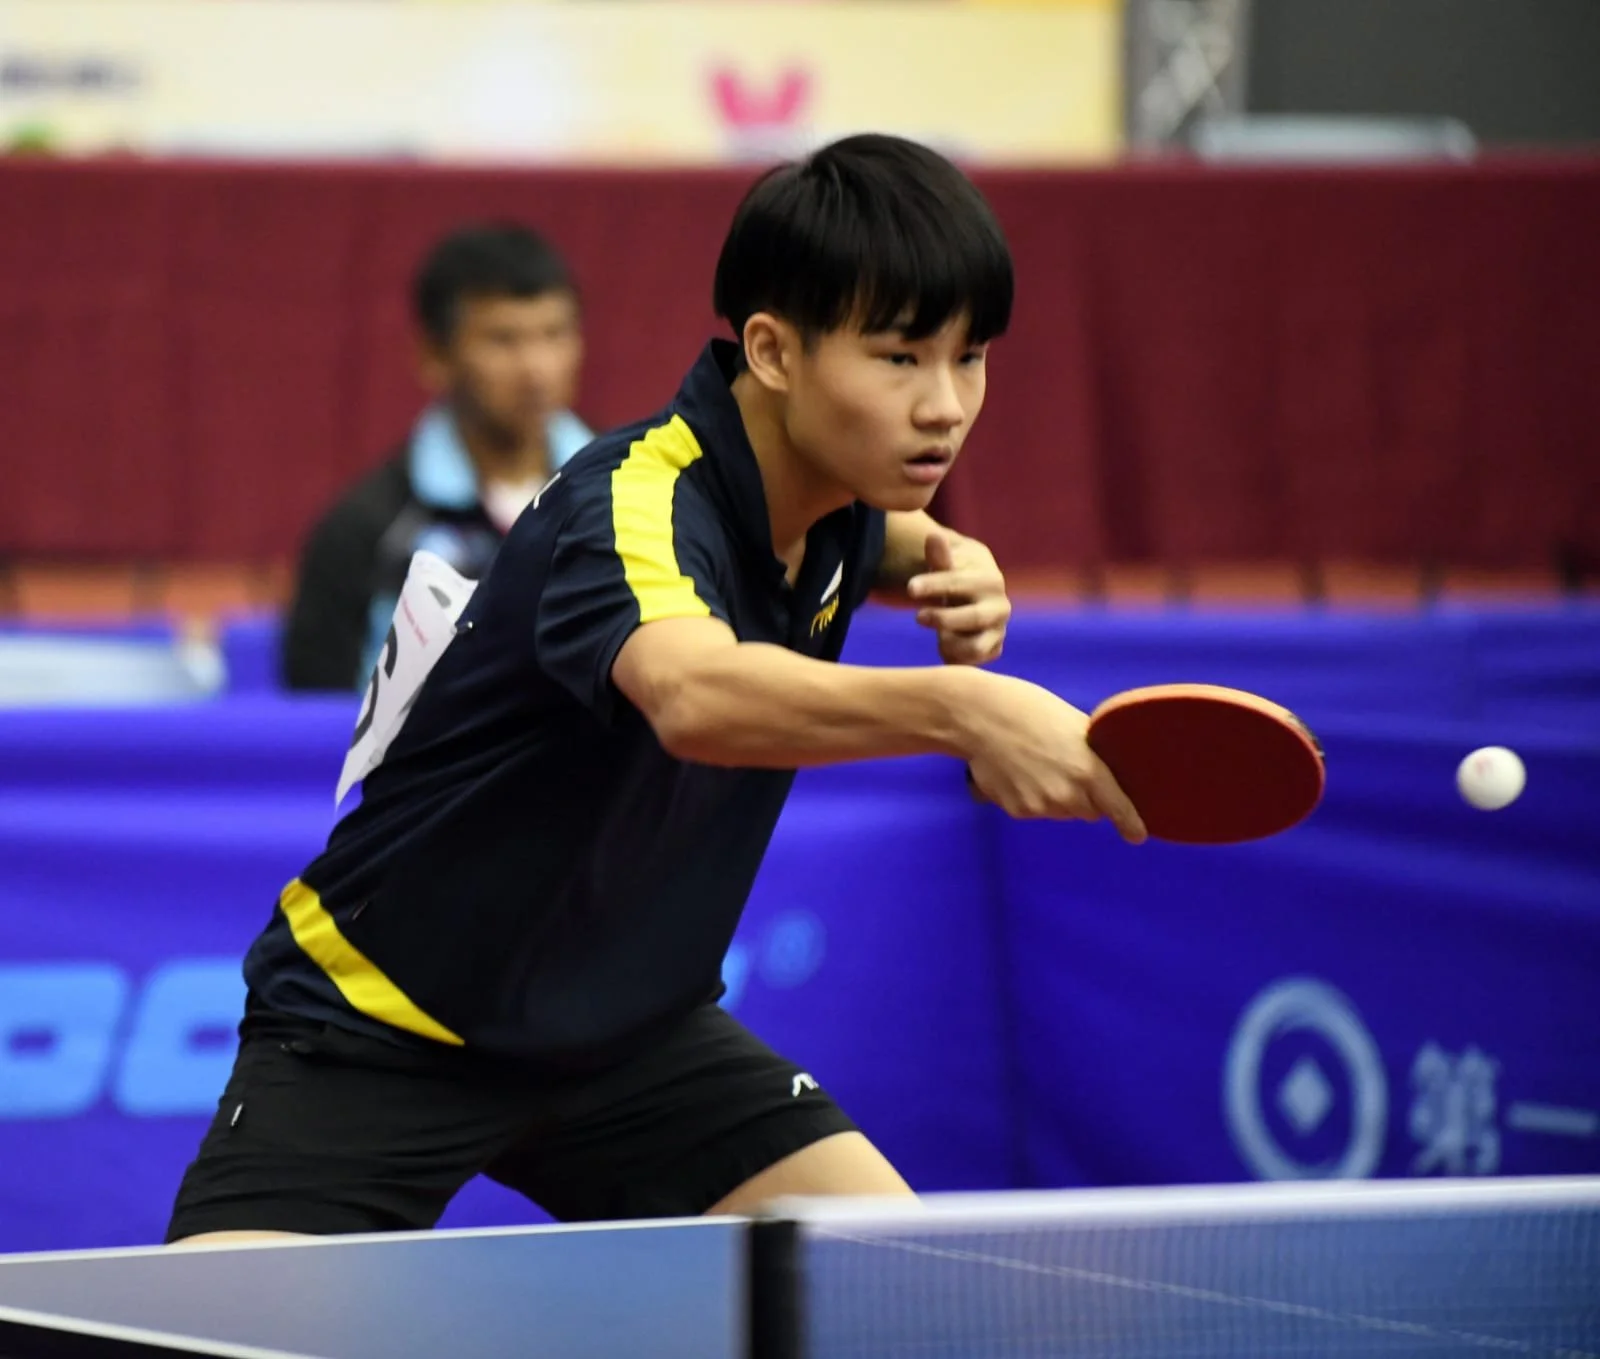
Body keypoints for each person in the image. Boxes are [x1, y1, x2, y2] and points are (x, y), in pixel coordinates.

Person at [167, 134, 1146, 1246]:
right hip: (386, 1025)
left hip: (632, 1043)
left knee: (904, 1294)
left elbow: (858, 539)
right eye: (899, 358)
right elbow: (695, 696)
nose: (944, 406)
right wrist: (962, 706)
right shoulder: (626, 506)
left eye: (970, 357)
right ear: (772, 352)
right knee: (217, 1327)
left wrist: (935, 555)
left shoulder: (839, 499)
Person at [280, 223, 591, 691]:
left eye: (554, 334)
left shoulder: (636, 496)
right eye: (503, 340)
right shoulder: (362, 530)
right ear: (434, 355)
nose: (536, 369)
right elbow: (316, 719)